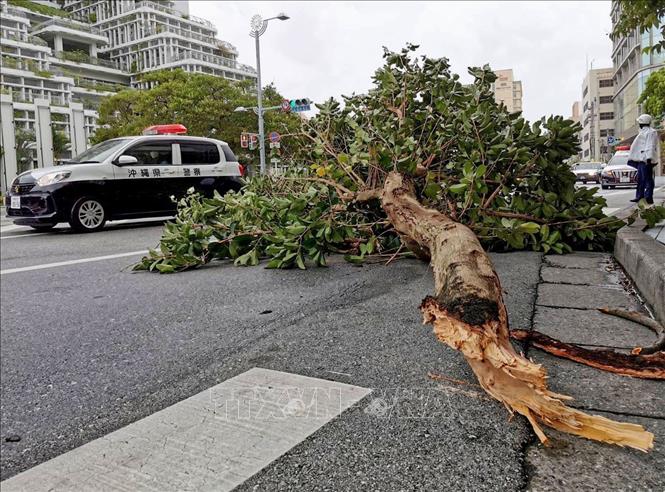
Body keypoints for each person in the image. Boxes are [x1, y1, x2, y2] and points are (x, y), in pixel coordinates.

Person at [628, 114, 659, 205]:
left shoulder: (651, 132)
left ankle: (648, 197)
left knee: (648, 179)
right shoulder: (643, 132)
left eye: (639, 122)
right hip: (642, 160)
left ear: (642, 122)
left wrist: (649, 158)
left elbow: (650, 145)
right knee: (641, 179)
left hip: (646, 160)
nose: (639, 124)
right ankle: (640, 196)